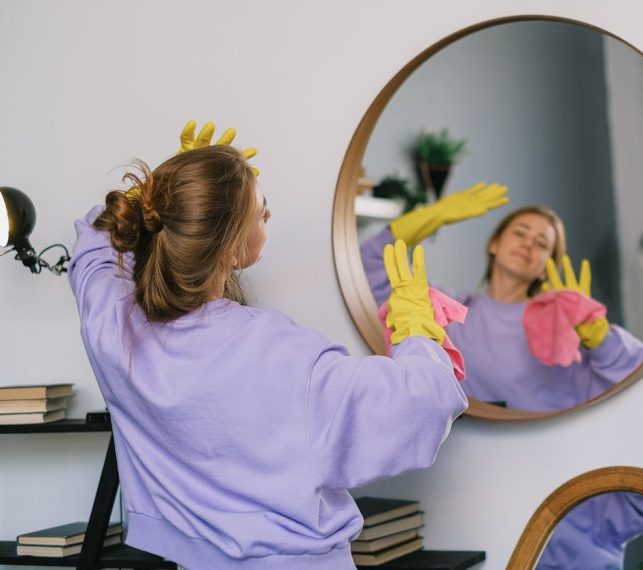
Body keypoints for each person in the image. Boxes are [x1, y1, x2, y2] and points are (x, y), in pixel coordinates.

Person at [68, 122, 467, 569]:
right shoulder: (286, 357)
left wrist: (162, 188)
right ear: (232, 246)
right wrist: (418, 330)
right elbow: (416, 405)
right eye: (261, 210)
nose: (269, 217)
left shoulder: (114, 329)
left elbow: (95, 245)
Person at [360, 184, 643, 412]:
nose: (527, 245)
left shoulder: (563, 328)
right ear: (494, 244)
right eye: (520, 233)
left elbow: (640, 377)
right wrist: (432, 217)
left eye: (541, 244)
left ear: (547, 267)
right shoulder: (448, 311)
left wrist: (600, 339)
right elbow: (365, 267)